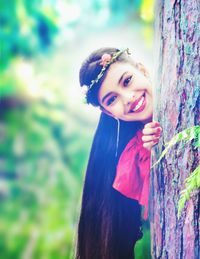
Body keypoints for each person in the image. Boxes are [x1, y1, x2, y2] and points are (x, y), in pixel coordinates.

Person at [75, 47, 162, 259]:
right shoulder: (134, 154)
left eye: (127, 81)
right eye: (112, 100)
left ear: (142, 70)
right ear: (107, 112)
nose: (128, 98)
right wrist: (154, 155)